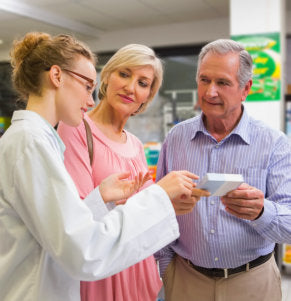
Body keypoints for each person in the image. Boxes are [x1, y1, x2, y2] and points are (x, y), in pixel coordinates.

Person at [0, 32, 202, 301]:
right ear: (57, 76)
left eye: (143, 83)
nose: (91, 100)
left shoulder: (37, 140)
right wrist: (158, 198)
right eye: (87, 86)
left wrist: (101, 197)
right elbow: (84, 250)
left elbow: (61, 227)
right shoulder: (30, 143)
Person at [155, 39, 291, 301]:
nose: (210, 92)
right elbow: (160, 207)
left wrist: (262, 211)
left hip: (252, 282)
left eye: (223, 82)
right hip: (186, 280)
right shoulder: (176, 139)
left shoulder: (274, 144)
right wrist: (167, 269)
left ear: (245, 88)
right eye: (204, 80)